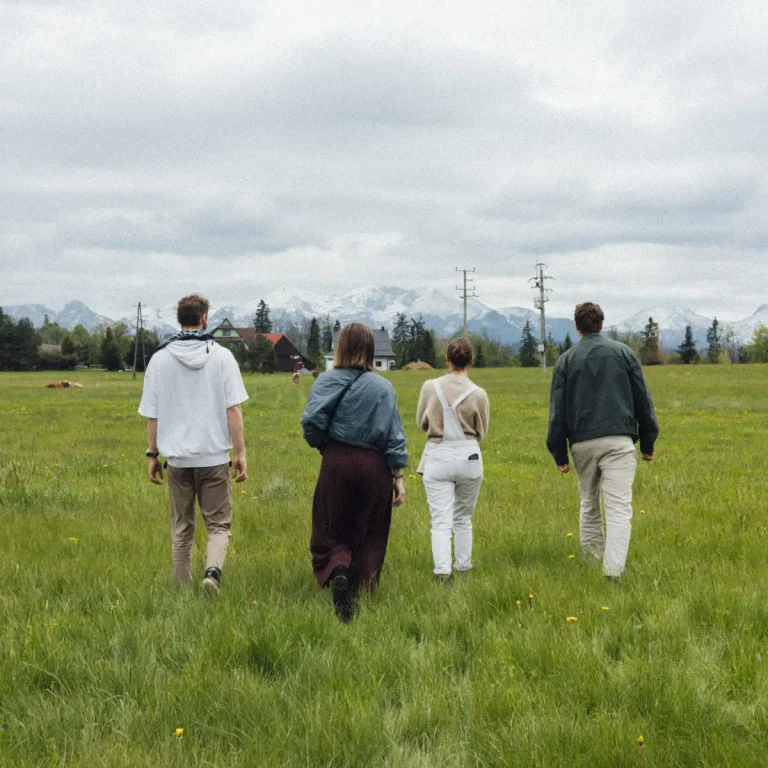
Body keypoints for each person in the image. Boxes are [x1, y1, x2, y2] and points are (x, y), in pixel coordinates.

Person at [138, 294, 249, 595]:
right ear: (204, 319)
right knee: (218, 525)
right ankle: (212, 573)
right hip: (213, 458)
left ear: (179, 320)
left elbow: (153, 415)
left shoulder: (159, 360)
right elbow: (233, 410)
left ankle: (180, 588)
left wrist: (152, 455)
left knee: (181, 527)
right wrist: (240, 452)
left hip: (177, 461)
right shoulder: (223, 357)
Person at [301, 323, 408, 622]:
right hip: (375, 467)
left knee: (331, 524)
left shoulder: (326, 381)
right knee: (370, 528)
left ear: (340, 347)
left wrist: (325, 445)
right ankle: (360, 584)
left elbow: (310, 421)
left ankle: (338, 570)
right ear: (372, 351)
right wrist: (398, 478)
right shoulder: (384, 387)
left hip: (337, 461)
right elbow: (394, 435)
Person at [547, 302, 659, 580]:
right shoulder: (624, 353)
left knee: (589, 502)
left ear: (577, 327)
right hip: (619, 440)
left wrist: (559, 453)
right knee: (619, 508)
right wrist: (647, 442)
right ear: (602, 323)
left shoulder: (566, 360)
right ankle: (613, 572)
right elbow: (642, 400)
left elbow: (557, 410)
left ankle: (591, 561)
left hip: (582, 443)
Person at [416, 338, 490, 584]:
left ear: (447, 360)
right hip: (468, 455)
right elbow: (483, 430)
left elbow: (420, 422)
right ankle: (464, 567)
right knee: (463, 517)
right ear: (471, 360)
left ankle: (443, 572)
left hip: (437, 455)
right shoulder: (479, 394)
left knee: (440, 520)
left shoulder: (430, 387)